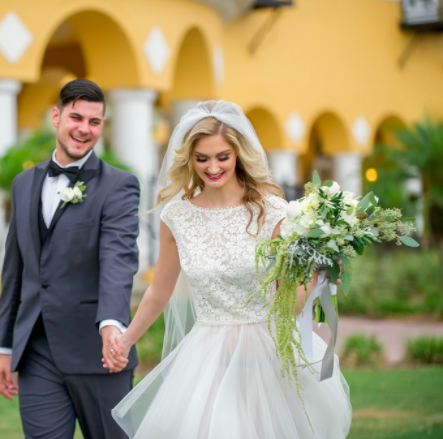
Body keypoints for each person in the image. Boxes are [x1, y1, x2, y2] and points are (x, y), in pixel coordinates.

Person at [107, 101, 352, 438]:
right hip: (208, 359)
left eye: (222, 156)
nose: (212, 167)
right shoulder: (176, 217)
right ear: (189, 159)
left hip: (270, 357)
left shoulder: (273, 212)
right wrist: (125, 340)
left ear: (237, 154)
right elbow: (158, 292)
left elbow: (290, 302)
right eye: (202, 158)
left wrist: (317, 278)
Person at [0, 79, 140, 439]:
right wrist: (4, 347)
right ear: (56, 117)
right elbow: (15, 269)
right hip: (36, 354)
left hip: (98, 351)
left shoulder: (119, 186)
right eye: (76, 117)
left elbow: (117, 260)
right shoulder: (23, 183)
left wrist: (110, 325)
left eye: (94, 122)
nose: (84, 129)